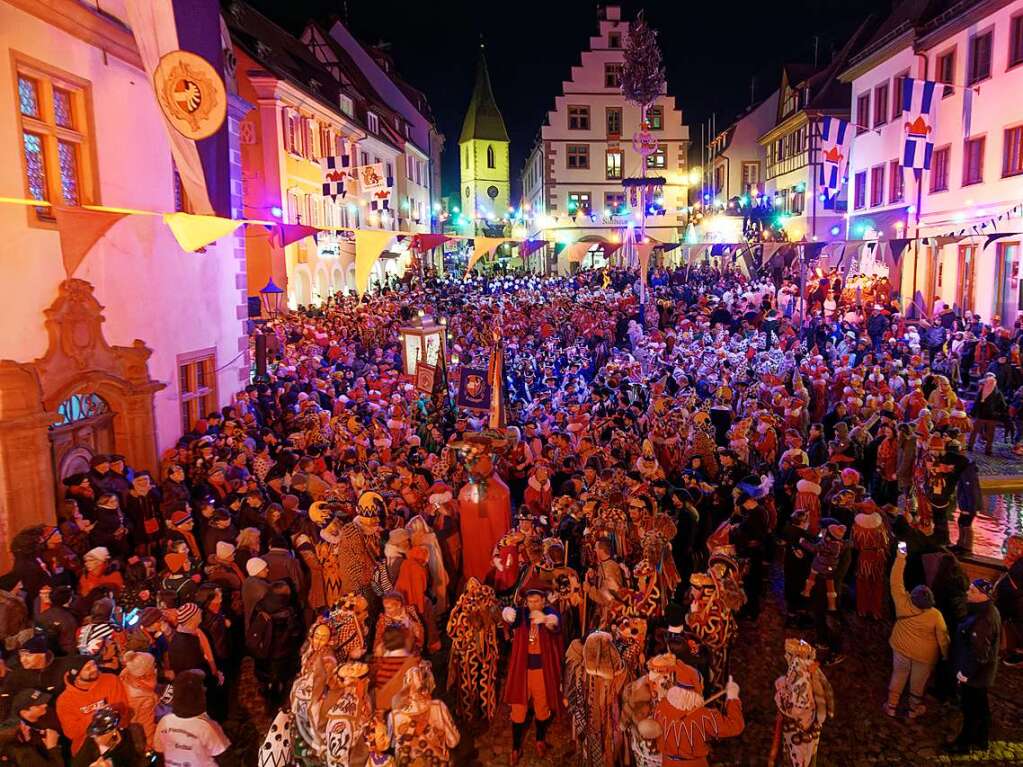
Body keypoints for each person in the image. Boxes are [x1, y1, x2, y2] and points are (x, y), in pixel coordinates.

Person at [886, 542, 949, 717]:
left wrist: (901, 555)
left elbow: (895, 579)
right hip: (925, 655)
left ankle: (891, 705)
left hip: (901, 647)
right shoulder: (935, 615)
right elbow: (942, 636)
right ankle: (914, 709)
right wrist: (945, 654)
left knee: (899, 673)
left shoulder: (902, 602)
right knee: (918, 682)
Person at [501, 589, 563, 764]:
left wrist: (546, 620)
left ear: (543, 601)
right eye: (530, 601)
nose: (533, 605)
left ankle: (540, 739)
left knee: (542, 709)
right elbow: (509, 620)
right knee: (518, 710)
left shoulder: (549, 613)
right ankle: (515, 748)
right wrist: (506, 614)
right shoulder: (522, 615)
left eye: (536, 601)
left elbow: (556, 624)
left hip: (541, 673)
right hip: (522, 672)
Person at [948, 579, 1002, 755]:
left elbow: (979, 654)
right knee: (980, 706)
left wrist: (965, 673)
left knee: (970, 709)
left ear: (983, 595)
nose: (967, 593)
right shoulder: (987, 611)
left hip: (975, 676)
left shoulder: (983, 619)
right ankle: (982, 738)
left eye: (972, 591)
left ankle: (964, 743)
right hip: (981, 675)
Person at [654, 674, 744, 767]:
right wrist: (733, 698)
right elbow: (735, 726)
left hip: (668, 763)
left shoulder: (660, 707)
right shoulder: (703, 715)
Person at [153, 669, 230, 767]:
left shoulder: (164, 721)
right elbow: (225, 758)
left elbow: (159, 753)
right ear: (200, 697)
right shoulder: (206, 726)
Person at [0, 689, 62, 767]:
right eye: (39, 705)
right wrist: (52, 747)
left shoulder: (52, 713)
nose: (45, 705)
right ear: (24, 712)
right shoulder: (19, 739)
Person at [70, 706, 143, 767]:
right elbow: (78, 764)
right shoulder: (91, 742)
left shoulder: (126, 738)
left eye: (101, 734)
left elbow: (132, 761)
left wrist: (110, 763)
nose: (96, 738)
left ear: (113, 731)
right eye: (96, 734)